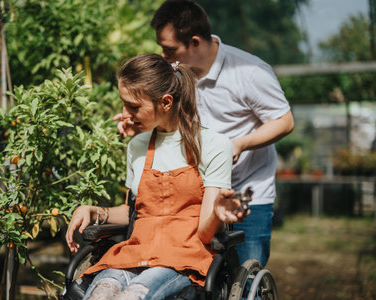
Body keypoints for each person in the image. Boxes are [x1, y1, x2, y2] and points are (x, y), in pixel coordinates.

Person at [114, 0, 294, 268]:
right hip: (190, 197)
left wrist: (240, 144)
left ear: (194, 42)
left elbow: (284, 121)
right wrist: (138, 124)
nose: (163, 56)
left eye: (169, 49)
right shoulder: (175, 77)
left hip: (243, 191)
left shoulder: (249, 72)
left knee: (243, 276)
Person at [66, 53, 246, 300]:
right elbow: (137, 212)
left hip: (180, 258)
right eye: (124, 104)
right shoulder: (137, 146)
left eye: (134, 106)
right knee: (99, 294)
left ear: (166, 102)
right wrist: (96, 211)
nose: (126, 114)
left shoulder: (214, 145)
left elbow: (204, 234)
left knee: (131, 296)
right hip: (135, 252)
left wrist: (217, 213)